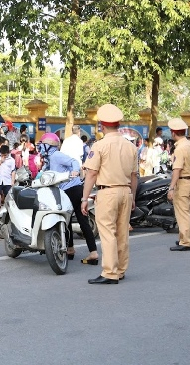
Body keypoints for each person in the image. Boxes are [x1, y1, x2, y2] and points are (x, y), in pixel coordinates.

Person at [82, 104, 138, 284]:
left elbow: (91, 173)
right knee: (122, 232)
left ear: (102, 125)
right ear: (118, 124)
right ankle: (120, 270)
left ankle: (109, 273)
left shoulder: (99, 145)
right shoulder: (130, 146)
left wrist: (84, 198)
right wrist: (133, 196)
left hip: (108, 192)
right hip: (126, 191)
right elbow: (134, 175)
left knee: (107, 232)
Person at [38, 133, 99, 265]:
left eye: (42, 145)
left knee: (70, 220)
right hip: (66, 191)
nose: (40, 148)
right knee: (71, 221)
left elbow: (74, 162)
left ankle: (81, 251)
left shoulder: (56, 155)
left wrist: (75, 171)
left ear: (48, 146)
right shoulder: (49, 160)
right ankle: (83, 251)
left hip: (71, 190)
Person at [167, 118, 190, 251]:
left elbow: (177, 170)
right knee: (186, 211)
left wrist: (171, 188)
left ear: (173, 133)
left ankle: (186, 242)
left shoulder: (180, 149)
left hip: (183, 181)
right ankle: (183, 238)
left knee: (183, 213)